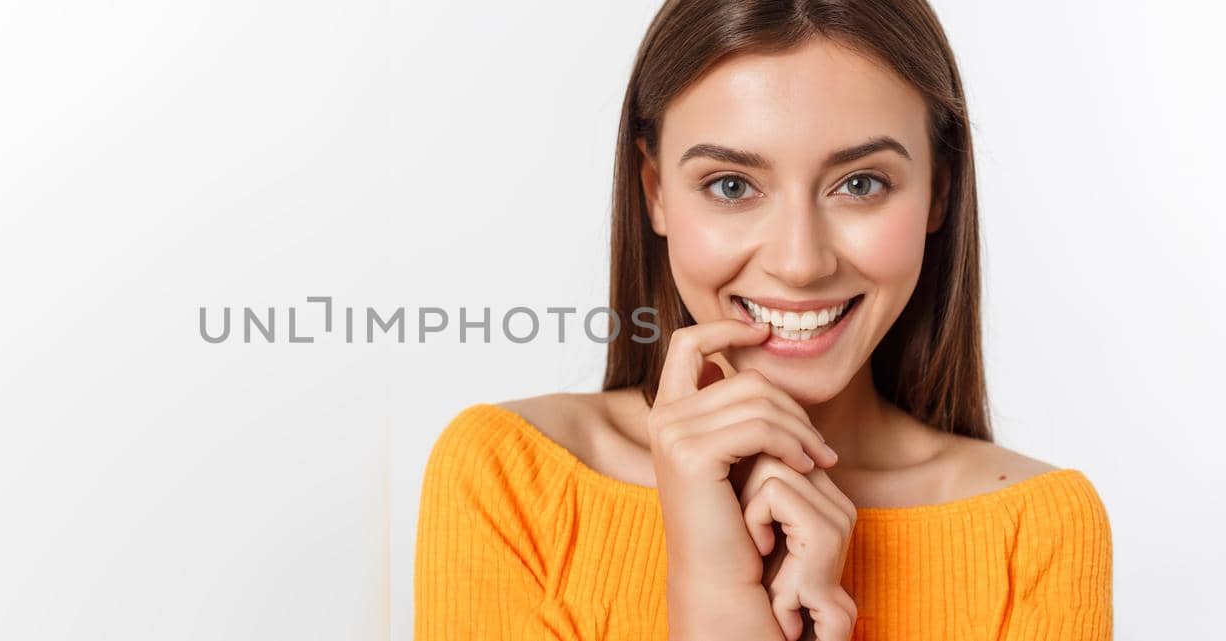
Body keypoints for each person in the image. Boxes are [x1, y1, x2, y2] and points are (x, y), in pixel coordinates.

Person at [412, 1, 1113, 640]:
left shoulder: (1035, 530)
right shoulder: (512, 480)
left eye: (861, 183)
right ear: (656, 192)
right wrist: (712, 593)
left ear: (939, 190)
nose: (799, 262)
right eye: (732, 186)